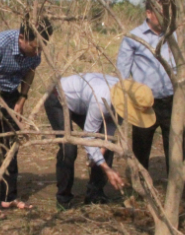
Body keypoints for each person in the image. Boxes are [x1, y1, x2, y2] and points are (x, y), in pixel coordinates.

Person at [116, 0, 185, 202]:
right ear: (149, 13)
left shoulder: (174, 35)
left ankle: (180, 189)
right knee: (141, 149)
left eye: (168, 12)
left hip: (171, 102)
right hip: (144, 105)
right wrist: (124, 102)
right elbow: (122, 74)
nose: (166, 16)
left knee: (177, 147)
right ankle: (139, 190)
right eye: (161, 11)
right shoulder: (133, 38)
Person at [0, 17, 53, 210]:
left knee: (10, 143)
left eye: (41, 48)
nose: (38, 52)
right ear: (22, 38)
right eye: (34, 47)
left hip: (11, 93)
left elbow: (30, 71)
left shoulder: (36, 49)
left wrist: (21, 99)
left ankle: (9, 196)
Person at [44, 74, 155, 207]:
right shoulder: (102, 99)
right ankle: (63, 199)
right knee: (68, 148)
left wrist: (98, 154)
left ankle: (95, 194)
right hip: (58, 98)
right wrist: (106, 168)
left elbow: (109, 130)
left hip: (83, 103)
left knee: (108, 145)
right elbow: (88, 138)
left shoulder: (125, 102)